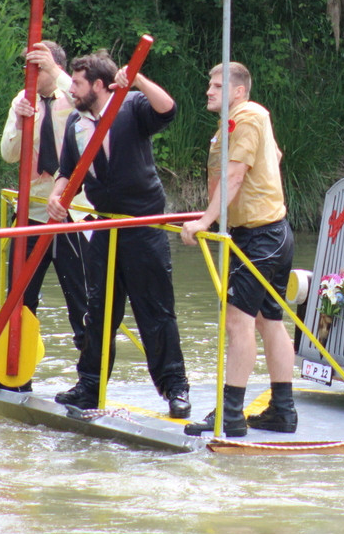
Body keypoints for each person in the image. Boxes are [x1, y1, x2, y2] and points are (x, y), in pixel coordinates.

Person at [46, 51, 191, 418]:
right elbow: (67, 170)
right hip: (103, 226)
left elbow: (168, 109)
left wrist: (138, 80)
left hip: (142, 226)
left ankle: (176, 388)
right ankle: (90, 386)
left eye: (77, 83)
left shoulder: (132, 106)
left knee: (156, 311)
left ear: (98, 85)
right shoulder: (76, 124)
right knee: (98, 312)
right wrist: (55, 195)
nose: (72, 90)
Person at [180, 62, 297, 437]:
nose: (209, 92)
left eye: (217, 86)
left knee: (238, 322)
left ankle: (230, 414)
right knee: (269, 321)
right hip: (274, 231)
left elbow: (234, 175)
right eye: (209, 85)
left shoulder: (243, 117)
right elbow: (274, 158)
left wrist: (204, 221)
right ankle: (283, 411)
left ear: (239, 90)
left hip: (260, 237)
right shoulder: (248, 118)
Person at [0, 41, 91, 394]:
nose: (32, 76)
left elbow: (94, 118)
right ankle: (16, 373)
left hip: (71, 214)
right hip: (30, 214)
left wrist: (58, 74)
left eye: (39, 69)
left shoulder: (73, 94)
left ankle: (88, 382)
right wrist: (18, 119)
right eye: (29, 69)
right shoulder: (22, 98)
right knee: (19, 296)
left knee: (81, 299)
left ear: (54, 68)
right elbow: (8, 154)